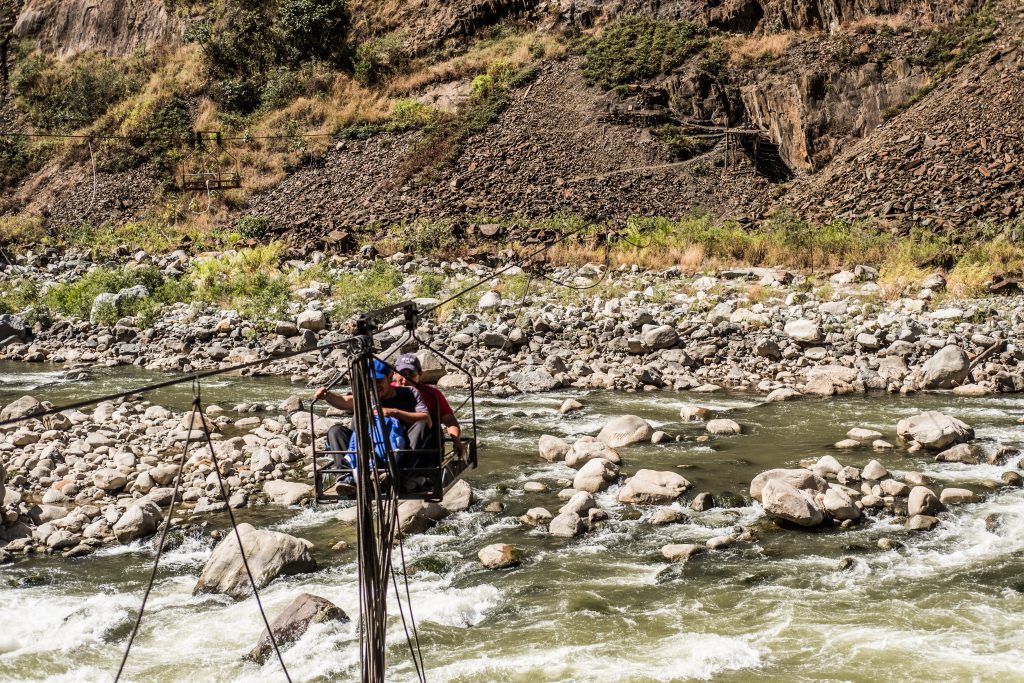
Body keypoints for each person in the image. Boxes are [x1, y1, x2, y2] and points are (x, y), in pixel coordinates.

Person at [315, 358, 432, 469]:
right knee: (335, 431)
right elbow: (345, 401)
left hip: (401, 446)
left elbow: (427, 420)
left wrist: (394, 413)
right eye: (371, 381)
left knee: (421, 425)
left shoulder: (409, 393)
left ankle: (402, 473)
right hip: (369, 445)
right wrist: (327, 396)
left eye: (379, 381)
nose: (375, 386)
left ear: (390, 377)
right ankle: (347, 475)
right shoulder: (367, 396)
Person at [393, 353, 466, 458]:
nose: (405, 380)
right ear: (394, 373)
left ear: (420, 375)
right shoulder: (386, 391)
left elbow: (449, 420)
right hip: (395, 438)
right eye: (402, 374)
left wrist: (456, 440)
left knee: (428, 421)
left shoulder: (432, 394)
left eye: (411, 375)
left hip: (425, 443)